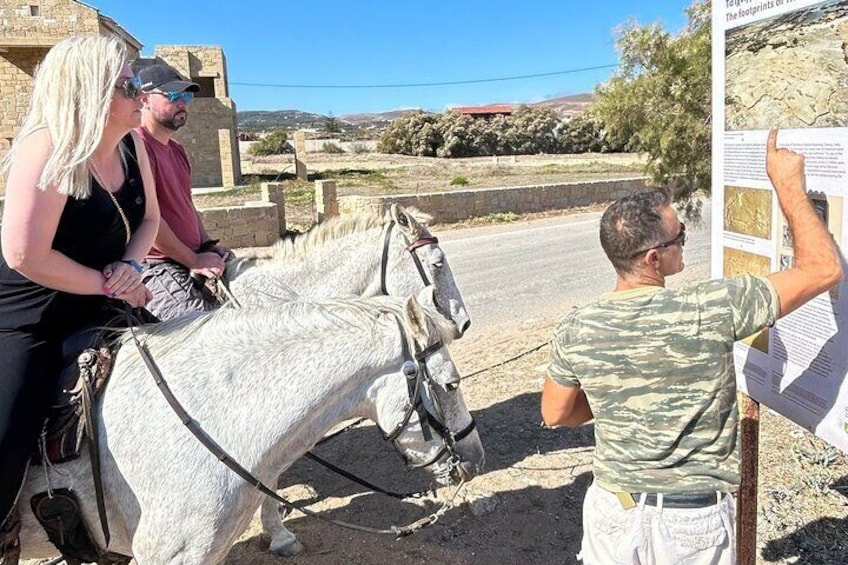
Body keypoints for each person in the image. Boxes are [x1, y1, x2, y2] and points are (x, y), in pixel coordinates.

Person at [540, 128, 842, 564]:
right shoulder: (715, 306)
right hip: (690, 524)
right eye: (679, 235)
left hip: (612, 511)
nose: (685, 240)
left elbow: (555, 412)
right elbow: (823, 268)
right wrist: (788, 187)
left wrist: (618, 398)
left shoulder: (577, 326)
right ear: (652, 258)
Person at [0, 36, 160, 563]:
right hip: (31, 316)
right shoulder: (46, 148)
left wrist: (131, 269)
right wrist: (109, 283)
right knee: (6, 435)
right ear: (89, 92)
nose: (143, 91)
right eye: (130, 84)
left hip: (105, 295)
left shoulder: (134, 145)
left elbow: (150, 221)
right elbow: (25, 254)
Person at [132, 62, 232, 321]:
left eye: (186, 96)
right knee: (201, 332)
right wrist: (193, 260)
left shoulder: (176, 149)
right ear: (144, 99)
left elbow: (187, 206)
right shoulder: (136, 147)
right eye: (173, 96)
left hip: (189, 255)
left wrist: (207, 245)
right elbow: (148, 220)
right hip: (156, 264)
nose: (183, 103)